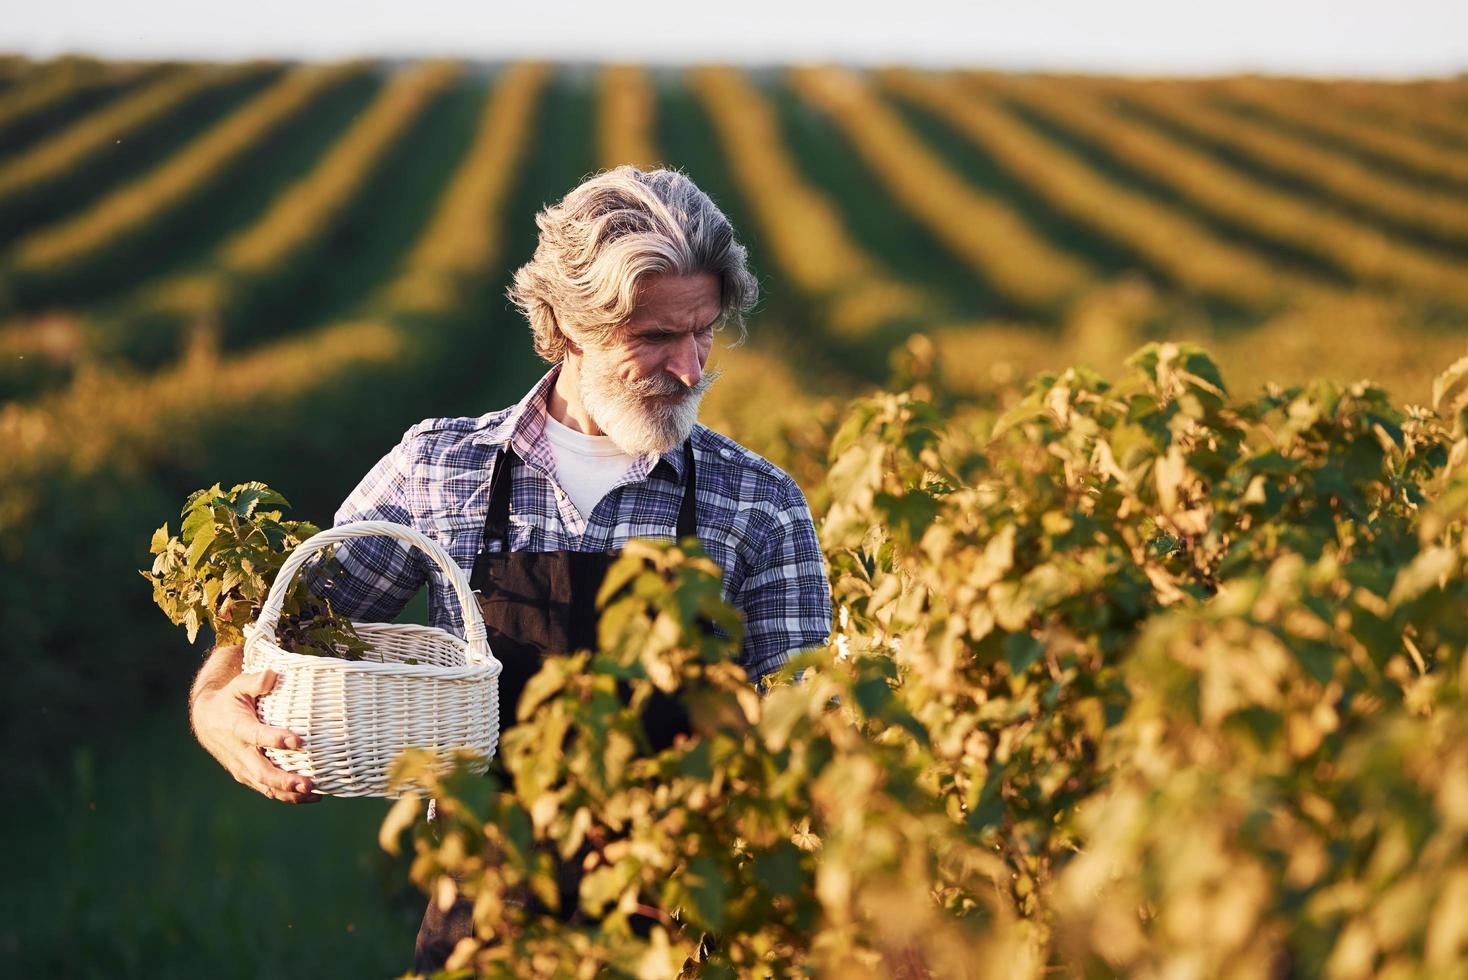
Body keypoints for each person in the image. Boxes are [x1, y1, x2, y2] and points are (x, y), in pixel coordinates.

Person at [187, 165, 833, 966]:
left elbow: (811, 739)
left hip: (687, 944)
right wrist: (217, 701)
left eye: (703, 332)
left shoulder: (759, 504)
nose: (692, 368)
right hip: (484, 939)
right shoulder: (441, 469)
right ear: (565, 326)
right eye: (656, 338)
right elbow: (294, 622)